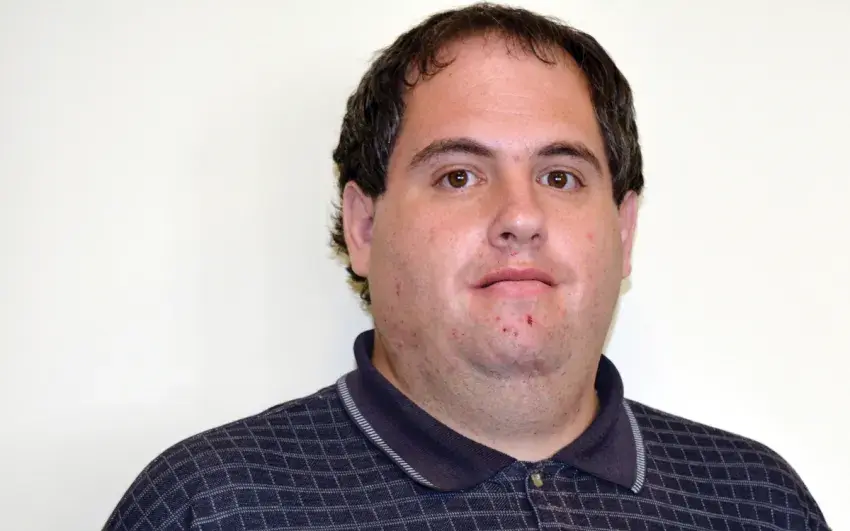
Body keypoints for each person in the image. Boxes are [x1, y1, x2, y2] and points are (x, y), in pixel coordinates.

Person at [103, 3, 831, 530]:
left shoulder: (759, 504)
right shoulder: (210, 507)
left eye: (560, 176)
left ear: (623, 229)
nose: (520, 215)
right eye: (458, 175)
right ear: (364, 225)